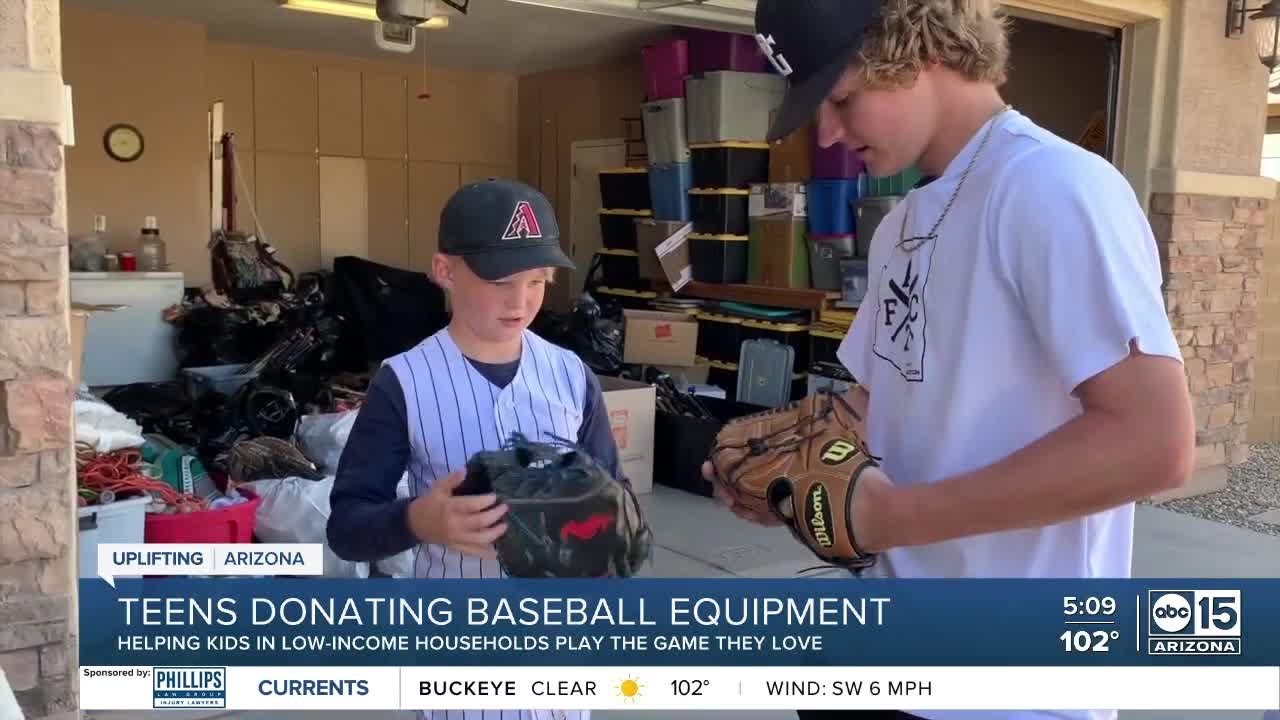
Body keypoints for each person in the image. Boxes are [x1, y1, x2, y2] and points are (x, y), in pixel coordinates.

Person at [708, 2, 1196, 720]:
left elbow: (1154, 443)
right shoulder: (901, 223)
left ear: (914, 48)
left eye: (842, 99)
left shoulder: (1053, 188)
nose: (831, 134)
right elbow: (881, 406)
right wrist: (791, 474)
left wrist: (892, 518)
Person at [328, 178, 623, 720]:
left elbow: (616, 499)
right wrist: (418, 520)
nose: (522, 301)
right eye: (501, 281)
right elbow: (347, 527)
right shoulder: (405, 382)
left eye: (538, 280)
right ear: (445, 271)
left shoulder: (570, 375)